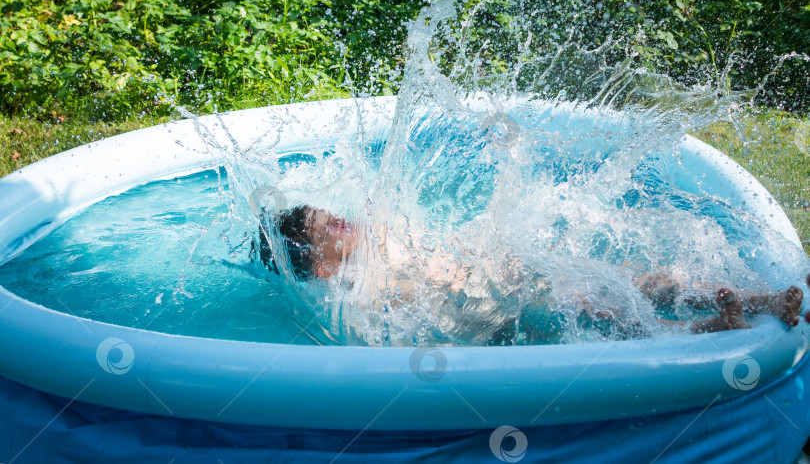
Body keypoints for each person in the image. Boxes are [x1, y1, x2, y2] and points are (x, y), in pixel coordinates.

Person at [256, 205, 805, 345]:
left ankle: (758, 302)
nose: (340, 218)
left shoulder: (379, 235)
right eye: (330, 226)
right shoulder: (359, 294)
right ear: (325, 266)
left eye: (331, 212)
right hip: (488, 308)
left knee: (628, 277)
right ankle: (705, 332)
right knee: (600, 310)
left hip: (500, 273)